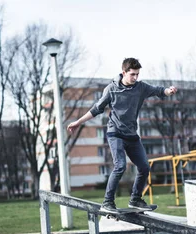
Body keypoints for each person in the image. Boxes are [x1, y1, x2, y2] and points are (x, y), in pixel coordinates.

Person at [67, 58, 178, 212]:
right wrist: (78, 122)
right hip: (115, 134)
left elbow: (158, 91)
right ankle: (107, 202)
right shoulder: (111, 89)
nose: (135, 78)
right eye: (132, 74)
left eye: (137, 74)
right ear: (124, 72)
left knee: (144, 167)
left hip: (132, 135)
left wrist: (168, 91)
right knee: (120, 166)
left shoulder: (141, 88)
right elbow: (96, 109)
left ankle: (135, 200)